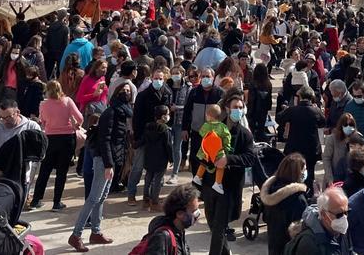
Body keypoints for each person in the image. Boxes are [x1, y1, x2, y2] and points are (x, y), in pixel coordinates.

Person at [70, 81, 132, 251]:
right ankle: (76, 235)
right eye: (123, 90)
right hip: (104, 161)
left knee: (102, 197)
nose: (125, 93)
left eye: (128, 91)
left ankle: (96, 231)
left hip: (111, 160)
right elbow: (105, 140)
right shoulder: (111, 113)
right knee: (93, 198)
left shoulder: (123, 113)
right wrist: (108, 164)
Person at [200, 93, 256, 255]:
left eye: (240, 108)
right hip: (211, 183)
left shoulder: (245, 134)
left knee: (219, 227)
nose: (238, 110)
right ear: (226, 109)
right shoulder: (215, 127)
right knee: (213, 224)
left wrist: (229, 159)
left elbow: (250, 157)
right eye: (235, 108)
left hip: (229, 187)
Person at [29, 79, 82, 211]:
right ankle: (56, 202)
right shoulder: (68, 101)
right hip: (67, 137)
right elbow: (80, 117)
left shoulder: (43, 104)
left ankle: (36, 200)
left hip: (50, 138)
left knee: (44, 170)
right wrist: (76, 125)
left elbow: (42, 121)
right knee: (62, 172)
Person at [0, 99, 42, 189]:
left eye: (8, 117)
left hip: (24, 181)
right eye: (2, 118)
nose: (5, 121)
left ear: (17, 112)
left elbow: (39, 155)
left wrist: (30, 179)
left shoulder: (32, 127)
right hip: (2, 182)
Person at [129, 67, 173, 207]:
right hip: (144, 135)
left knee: (157, 169)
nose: (158, 81)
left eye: (161, 79)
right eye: (156, 78)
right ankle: (132, 193)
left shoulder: (167, 93)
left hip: (160, 137)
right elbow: (137, 118)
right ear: (151, 78)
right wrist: (137, 136)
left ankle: (153, 197)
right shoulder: (143, 95)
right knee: (138, 167)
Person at [130, 185, 202, 255]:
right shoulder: (162, 238)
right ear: (180, 214)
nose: (198, 214)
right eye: (194, 211)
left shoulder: (179, 230)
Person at [263, 153, 311, 255]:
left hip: (274, 245)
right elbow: (302, 229)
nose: (306, 172)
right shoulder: (297, 199)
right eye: (304, 169)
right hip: (290, 248)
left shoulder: (271, 191)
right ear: (298, 172)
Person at [279, 87, 323, 191]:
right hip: (311, 148)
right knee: (310, 173)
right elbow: (322, 123)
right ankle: (308, 193)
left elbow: (279, 118)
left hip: (294, 147)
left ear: (300, 97)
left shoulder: (293, 110)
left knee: (293, 173)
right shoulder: (315, 110)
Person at [285, 186, 351, 255]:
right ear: (324, 215)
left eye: (346, 212)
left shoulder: (341, 231)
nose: (344, 218)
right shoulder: (309, 244)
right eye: (339, 215)